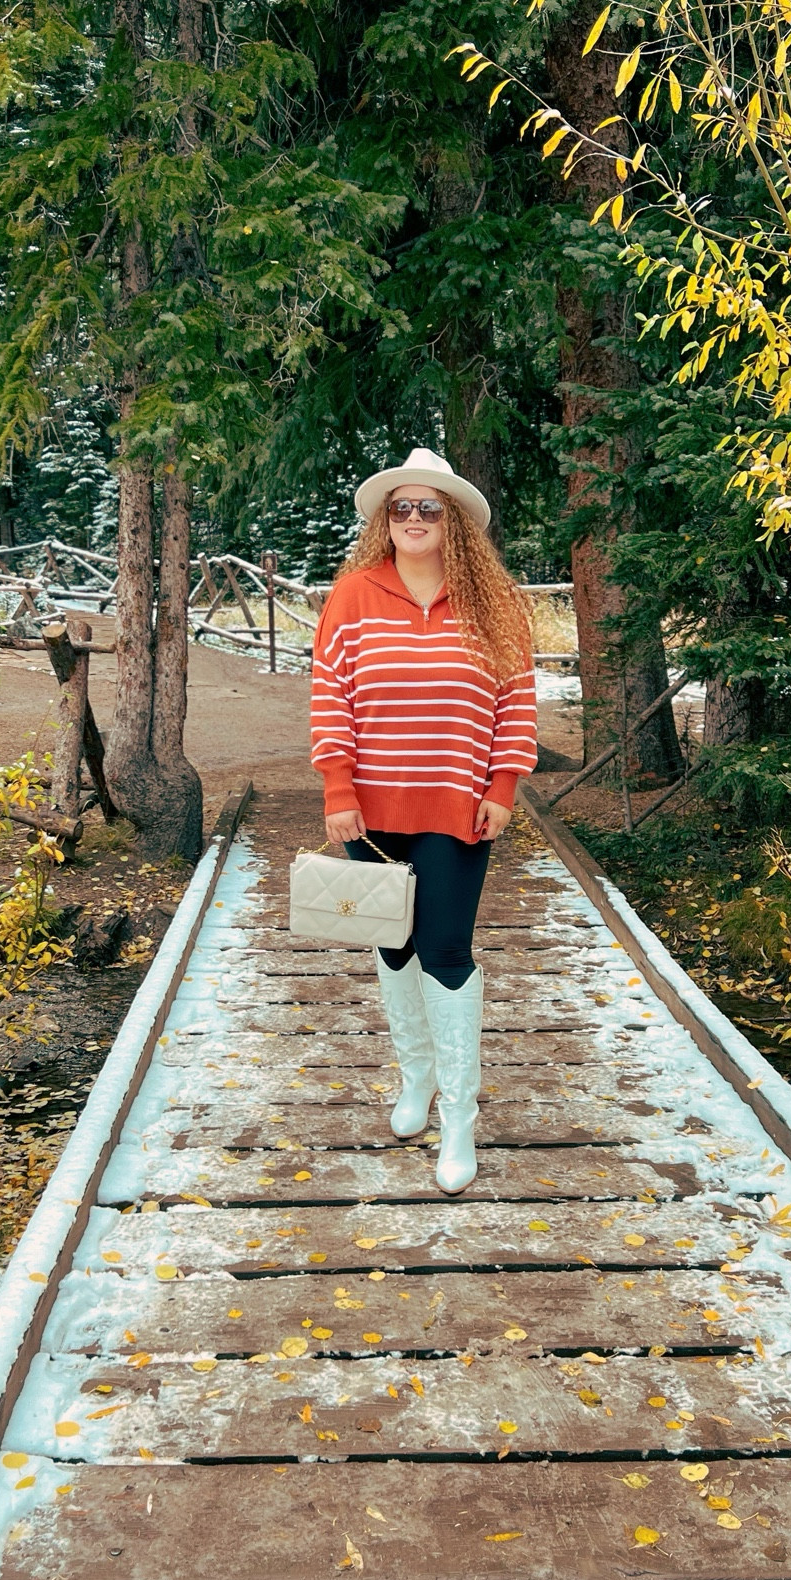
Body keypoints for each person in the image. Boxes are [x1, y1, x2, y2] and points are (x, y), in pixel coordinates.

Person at [309, 447, 538, 1194]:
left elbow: (517, 702)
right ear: (385, 519)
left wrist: (504, 785)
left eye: (427, 508)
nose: (412, 519)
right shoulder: (352, 595)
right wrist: (337, 789)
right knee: (392, 943)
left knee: (444, 950)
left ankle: (460, 1118)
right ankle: (418, 1082)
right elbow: (330, 696)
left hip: (457, 806)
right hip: (372, 809)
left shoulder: (497, 602)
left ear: (454, 522)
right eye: (400, 508)